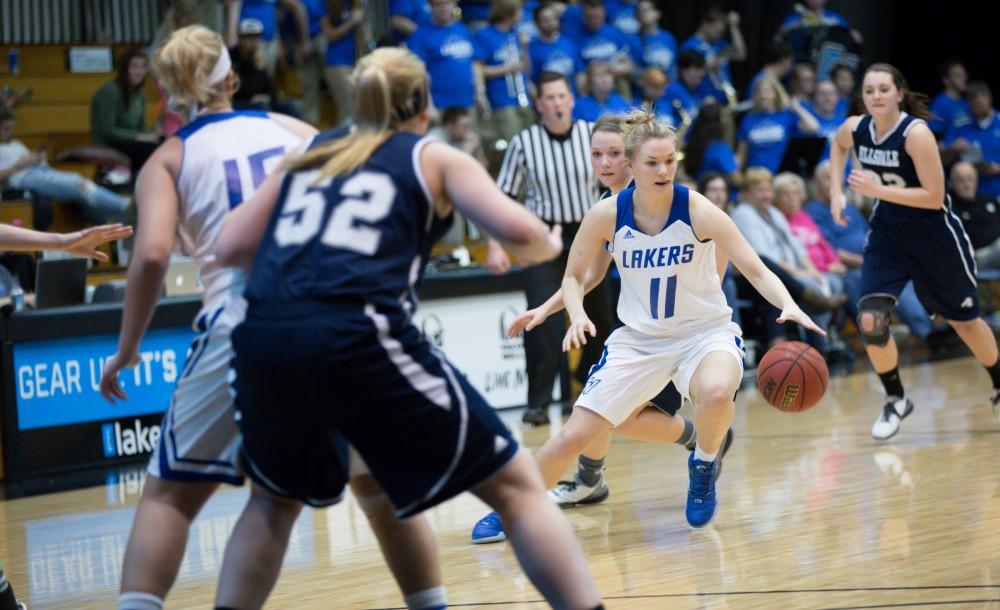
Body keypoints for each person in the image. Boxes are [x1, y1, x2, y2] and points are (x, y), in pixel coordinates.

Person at [210, 46, 604, 610]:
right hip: (355, 332)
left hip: (263, 336)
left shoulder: (313, 149)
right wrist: (549, 242)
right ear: (423, 108)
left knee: (273, 503)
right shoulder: (431, 156)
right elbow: (527, 235)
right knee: (518, 487)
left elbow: (228, 246)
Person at [96, 26, 440, 610]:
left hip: (243, 320)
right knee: (378, 487)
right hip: (330, 316)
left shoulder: (169, 157)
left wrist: (127, 349)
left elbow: (152, 254)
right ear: (231, 79)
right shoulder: (293, 129)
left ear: (165, 93)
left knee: (171, 496)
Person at [472, 108, 822, 540]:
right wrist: (568, 312)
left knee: (715, 392)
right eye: (652, 163)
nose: (662, 170)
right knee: (574, 434)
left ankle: (704, 463)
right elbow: (578, 275)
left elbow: (755, 268)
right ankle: (517, 508)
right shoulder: (605, 213)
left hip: (703, 332)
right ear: (632, 165)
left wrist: (788, 303)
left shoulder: (698, 208)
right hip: (640, 340)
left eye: (669, 161)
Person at [495, 115, 712, 515]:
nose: (605, 163)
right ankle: (595, 476)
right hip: (642, 327)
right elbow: (589, 275)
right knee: (604, 411)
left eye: (614, 153)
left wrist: (709, 291)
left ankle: (696, 439)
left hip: (677, 330)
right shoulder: (607, 206)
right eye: (597, 154)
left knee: (611, 416)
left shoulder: (663, 199)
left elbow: (720, 248)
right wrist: (545, 310)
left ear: (633, 158)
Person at [828, 63, 1000, 438]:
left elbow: (934, 196)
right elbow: (837, 145)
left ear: (899, 94)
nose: (875, 96)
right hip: (889, 236)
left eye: (883, 89)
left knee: (965, 322)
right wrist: (837, 192)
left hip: (934, 237)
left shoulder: (915, 134)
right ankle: (896, 399)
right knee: (871, 318)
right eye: (869, 90)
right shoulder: (856, 128)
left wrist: (876, 192)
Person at [487, 71, 613, 426]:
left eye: (562, 96)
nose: (557, 103)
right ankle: (538, 402)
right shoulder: (524, 142)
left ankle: (594, 389)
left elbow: (616, 179)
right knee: (542, 320)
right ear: (539, 104)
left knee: (600, 317)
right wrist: (496, 246)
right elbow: (501, 198)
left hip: (588, 236)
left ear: (571, 99)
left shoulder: (592, 136)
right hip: (542, 240)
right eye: (550, 98)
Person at [0, 108, 129, 223]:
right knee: (77, 183)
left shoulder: (16, 143)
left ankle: (127, 217)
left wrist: (36, 158)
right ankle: (126, 206)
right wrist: (17, 166)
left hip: (42, 170)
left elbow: (30, 160)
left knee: (83, 191)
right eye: (5, 128)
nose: (9, 132)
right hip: (24, 178)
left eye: (10, 128)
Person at [90, 49, 160, 174]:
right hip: (110, 143)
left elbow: (142, 126)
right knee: (151, 150)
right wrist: (139, 137)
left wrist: (151, 136)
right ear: (124, 69)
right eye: (134, 67)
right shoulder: (110, 91)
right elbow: (108, 131)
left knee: (163, 143)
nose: (139, 72)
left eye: (143, 67)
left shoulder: (140, 95)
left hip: (132, 143)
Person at [736, 76, 819, 173]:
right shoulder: (748, 119)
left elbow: (813, 127)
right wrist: (735, 173)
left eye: (767, 91)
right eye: (759, 92)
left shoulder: (786, 116)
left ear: (776, 94)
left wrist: (796, 107)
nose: (763, 95)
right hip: (757, 174)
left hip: (782, 173)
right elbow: (741, 154)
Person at [942, 82, 1000, 200]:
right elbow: (941, 160)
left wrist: (998, 169)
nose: (976, 108)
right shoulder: (960, 125)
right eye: (973, 104)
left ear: (989, 98)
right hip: (971, 196)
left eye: (979, 103)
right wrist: (951, 148)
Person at [321, 0, 366, 126]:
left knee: (355, 112)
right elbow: (329, 35)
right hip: (336, 62)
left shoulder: (353, 5)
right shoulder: (329, 5)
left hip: (353, 61)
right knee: (348, 112)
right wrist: (353, 22)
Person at [949, 161, 1000, 272]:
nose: (967, 185)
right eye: (961, 180)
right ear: (952, 183)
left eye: (970, 179)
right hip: (976, 257)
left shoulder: (988, 200)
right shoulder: (950, 208)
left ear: (976, 181)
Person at [928, 59, 970, 138]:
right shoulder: (939, 104)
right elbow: (933, 136)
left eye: (964, 75)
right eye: (958, 75)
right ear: (946, 80)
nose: (964, 79)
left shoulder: (967, 101)